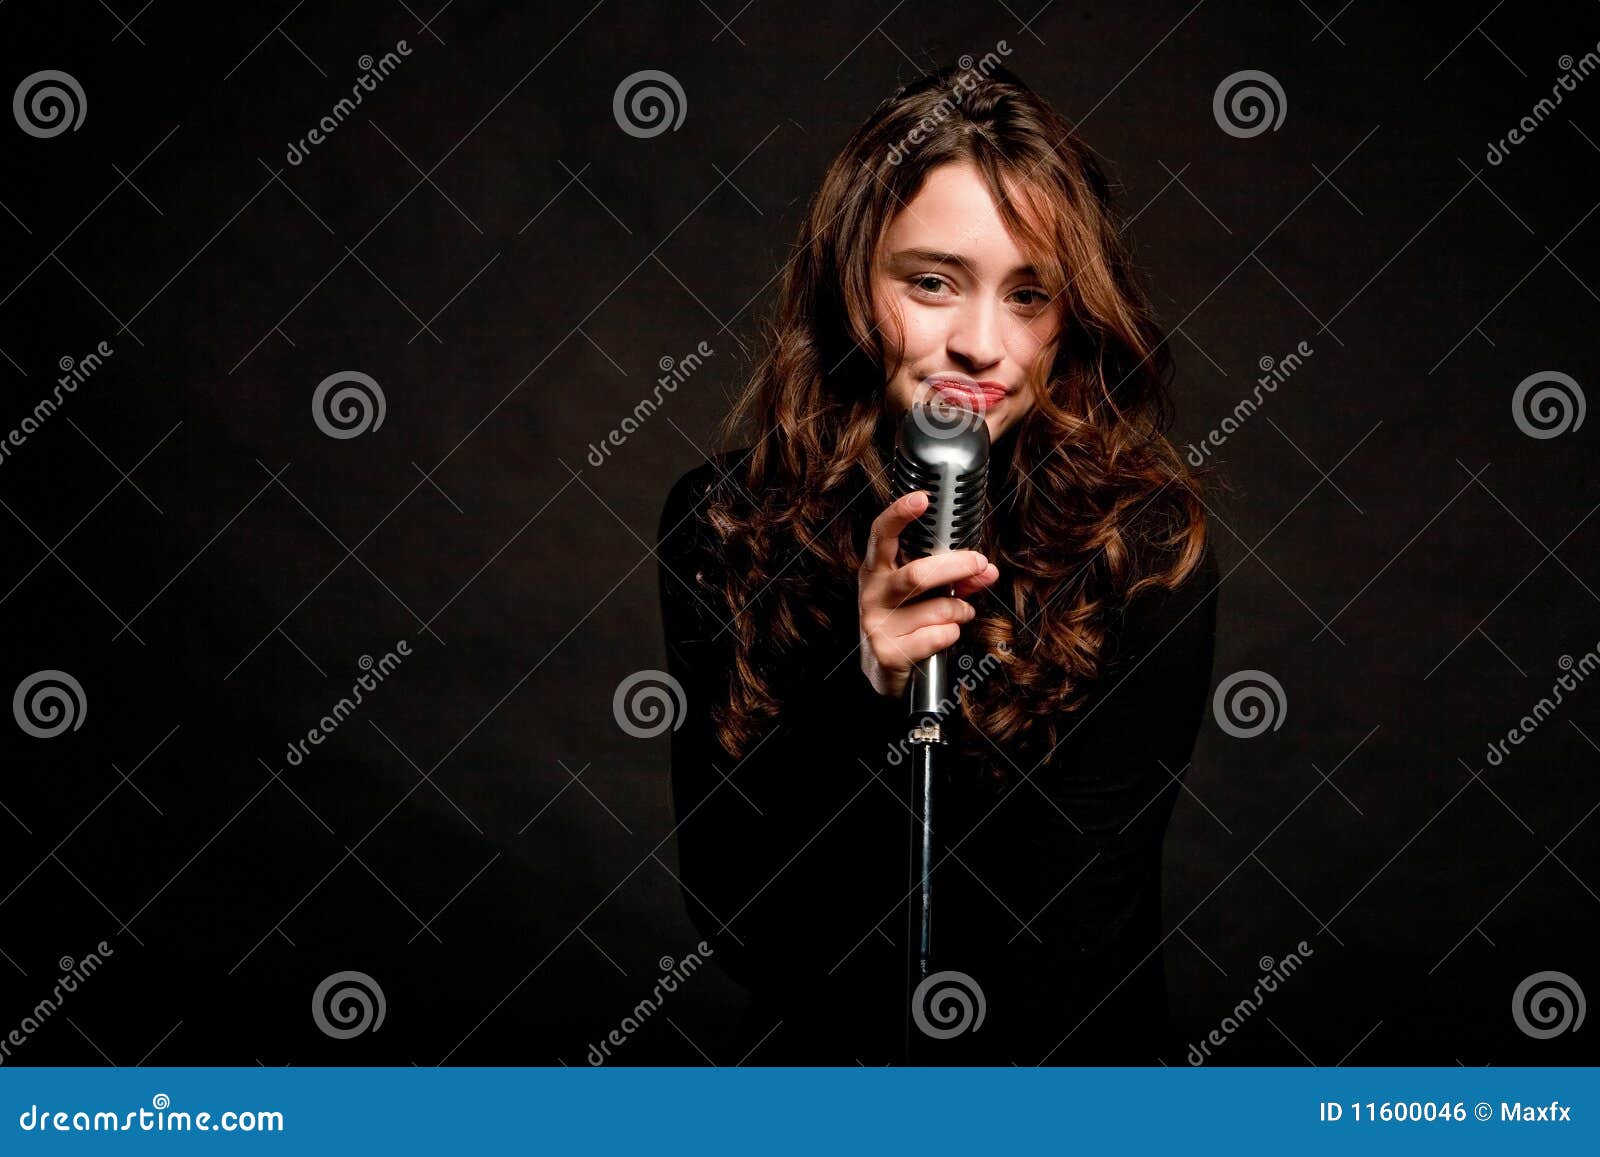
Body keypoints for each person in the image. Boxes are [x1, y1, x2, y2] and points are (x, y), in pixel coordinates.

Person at [656, 63, 1219, 1065]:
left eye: (1029, 295)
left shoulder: (1140, 550)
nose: (981, 345)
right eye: (931, 282)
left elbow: (1068, 947)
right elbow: (742, 919)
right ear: (850, 282)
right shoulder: (725, 523)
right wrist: (860, 691)